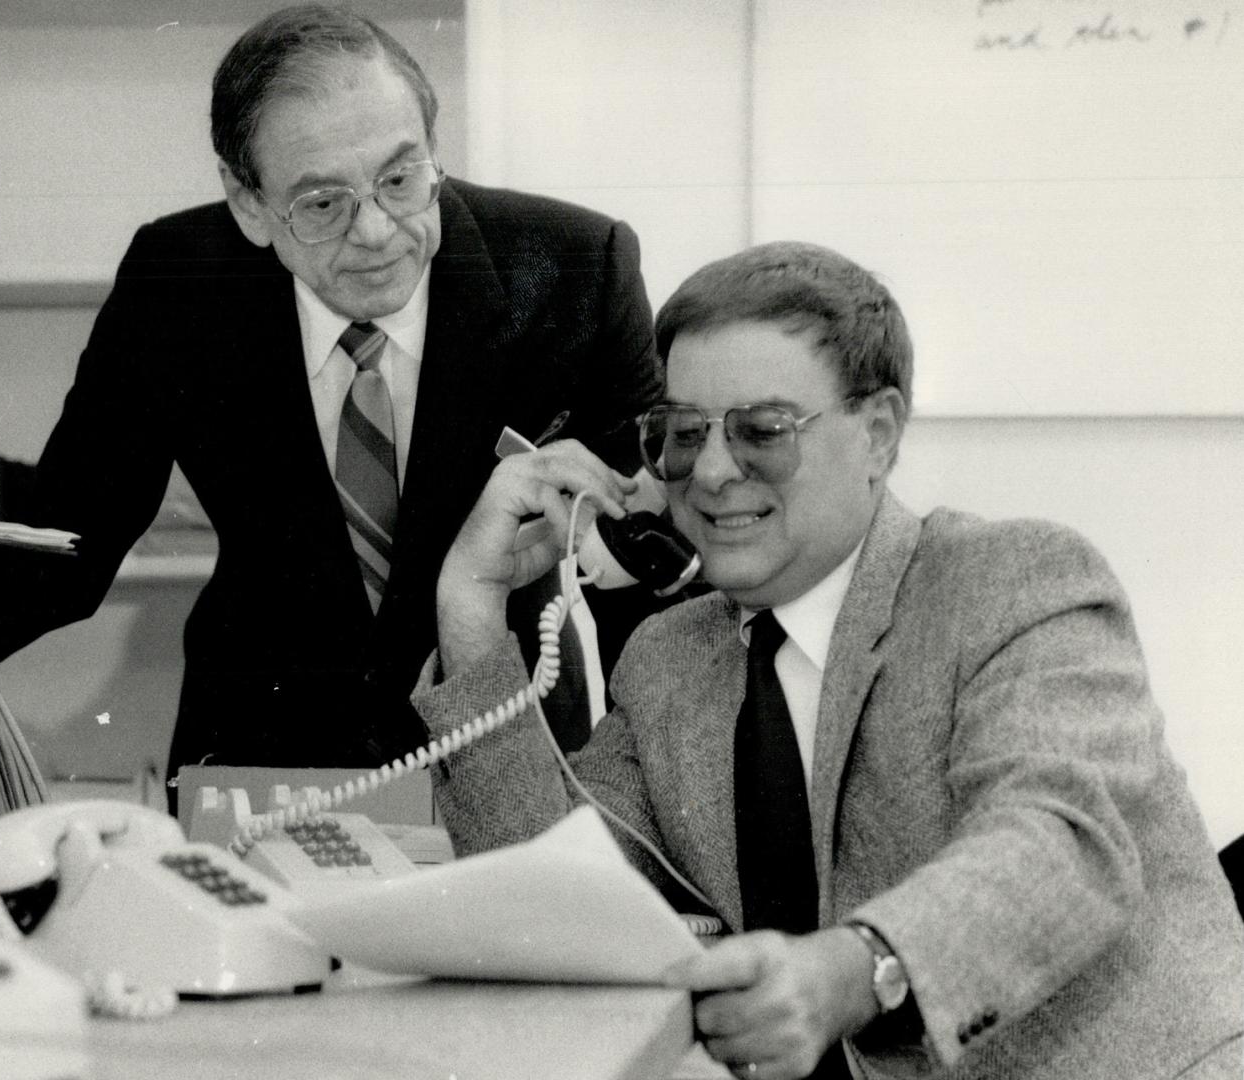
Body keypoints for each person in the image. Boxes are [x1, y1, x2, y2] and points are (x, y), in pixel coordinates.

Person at [412, 241, 1244, 1078]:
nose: (708, 471)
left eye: (761, 432)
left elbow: (1056, 845)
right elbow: (549, 897)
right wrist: (471, 599)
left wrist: (851, 970)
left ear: (878, 435)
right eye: (681, 433)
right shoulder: (669, 661)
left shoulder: (1013, 584)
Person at [0, 5, 662, 784]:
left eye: (400, 179)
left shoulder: (574, 269)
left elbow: (649, 547)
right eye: (321, 203)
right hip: (259, 746)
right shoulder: (179, 281)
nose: (375, 230)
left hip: (510, 740)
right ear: (248, 203)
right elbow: (72, 533)